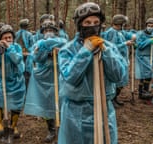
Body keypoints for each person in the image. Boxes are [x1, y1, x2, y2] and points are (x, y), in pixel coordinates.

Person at [57, 2, 127, 144]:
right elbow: (71, 77)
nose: (92, 26)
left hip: (103, 109)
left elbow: (118, 76)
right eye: (87, 22)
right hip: (76, 112)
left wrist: (106, 52)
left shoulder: (109, 47)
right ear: (79, 25)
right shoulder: (68, 50)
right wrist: (86, 50)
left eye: (96, 22)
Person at [24, 19, 67, 143]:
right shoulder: (38, 43)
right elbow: (35, 57)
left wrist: (59, 53)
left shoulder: (62, 42)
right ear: (42, 32)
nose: (49, 33)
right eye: (46, 30)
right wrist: (45, 53)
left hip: (58, 76)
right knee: (46, 103)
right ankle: (51, 129)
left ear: (55, 32)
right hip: (44, 78)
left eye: (51, 30)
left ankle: (62, 129)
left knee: (60, 102)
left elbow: (68, 54)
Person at [0, 24, 26, 140]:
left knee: (16, 104)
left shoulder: (16, 47)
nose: (8, 40)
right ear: (1, 39)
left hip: (17, 80)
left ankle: (13, 126)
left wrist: (9, 49)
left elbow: (17, 59)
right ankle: (0, 123)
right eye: (5, 38)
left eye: (10, 37)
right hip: (2, 80)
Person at [103, 14, 135, 107]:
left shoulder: (119, 32)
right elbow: (112, 46)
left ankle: (115, 98)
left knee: (122, 81)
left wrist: (132, 37)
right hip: (116, 60)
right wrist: (125, 43)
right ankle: (112, 99)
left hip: (122, 59)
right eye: (123, 24)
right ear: (119, 23)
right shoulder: (111, 32)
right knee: (117, 81)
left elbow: (128, 35)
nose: (123, 26)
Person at [135, 18, 153, 103]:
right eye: (148, 25)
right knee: (146, 74)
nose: (150, 27)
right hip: (142, 57)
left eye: (152, 26)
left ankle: (145, 92)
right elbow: (139, 45)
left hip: (151, 57)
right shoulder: (140, 34)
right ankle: (142, 92)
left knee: (147, 75)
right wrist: (149, 41)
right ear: (146, 25)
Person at [15, 18, 33, 87]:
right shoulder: (29, 34)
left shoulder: (16, 34)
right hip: (26, 55)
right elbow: (32, 45)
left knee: (19, 69)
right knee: (26, 71)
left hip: (18, 55)